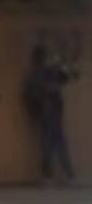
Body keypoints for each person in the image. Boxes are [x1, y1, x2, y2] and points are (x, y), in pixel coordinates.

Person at [25, 42, 75, 184]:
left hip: (50, 112)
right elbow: (63, 78)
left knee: (51, 143)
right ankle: (62, 175)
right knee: (54, 143)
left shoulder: (43, 72)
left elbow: (64, 77)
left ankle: (55, 175)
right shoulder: (41, 73)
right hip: (49, 112)